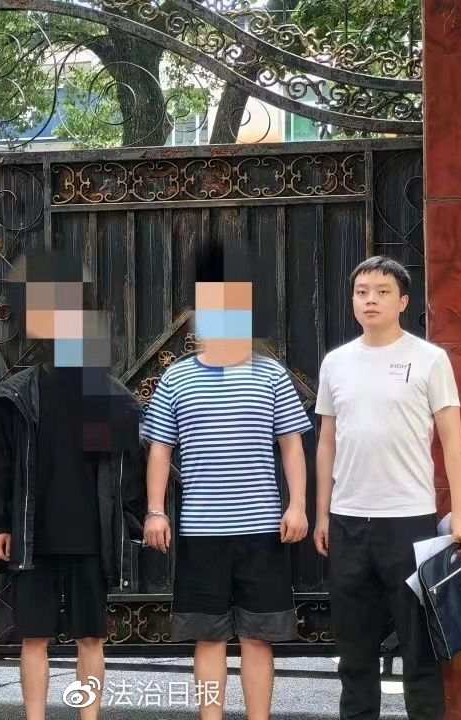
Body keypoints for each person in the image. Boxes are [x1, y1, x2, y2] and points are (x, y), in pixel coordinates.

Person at [142, 241, 313, 720]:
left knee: (259, 637)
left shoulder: (272, 375)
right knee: (208, 637)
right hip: (201, 530)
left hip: (262, 529)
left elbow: (292, 445)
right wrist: (155, 512)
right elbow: (159, 450)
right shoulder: (176, 379)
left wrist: (297, 505)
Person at [0, 251, 144, 720]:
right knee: (33, 638)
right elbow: (1, 465)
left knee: (91, 637)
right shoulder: (16, 395)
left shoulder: (109, 397)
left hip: (90, 539)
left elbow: (127, 470)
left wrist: (129, 524)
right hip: (34, 535)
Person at [312, 255, 461, 720]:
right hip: (348, 520)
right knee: (354, 647)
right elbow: (327, 442)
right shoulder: (336, 363)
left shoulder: (429, 359)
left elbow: (453, 441)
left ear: (403, 301)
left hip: (409, 520)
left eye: (382, 292)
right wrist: (323, 514)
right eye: (362, 292)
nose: (370, 300)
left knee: (418, 644)